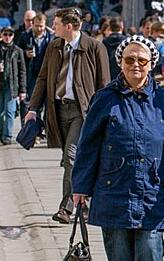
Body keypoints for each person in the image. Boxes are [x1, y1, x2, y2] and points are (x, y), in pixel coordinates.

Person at [72, 35, 164, 261]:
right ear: (120, 62)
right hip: (113, 189)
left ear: (150, 65)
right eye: (129, 59)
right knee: (120, 260)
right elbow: (88, 145)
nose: (135, 65)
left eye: (141, 60)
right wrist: (79, 187)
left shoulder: (163, 100)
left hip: (152, 191)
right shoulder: (105, 98)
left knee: (150, 254)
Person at [25, 7, 110, 224]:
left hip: (83, 111)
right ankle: (84, 202)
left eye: (57, 24)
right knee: (73, 160)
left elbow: (104, 84)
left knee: (71, 157)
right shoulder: (54, 47)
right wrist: (33, 109)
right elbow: (43, 78)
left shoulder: (94, 47)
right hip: (58, 109)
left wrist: (105, 115)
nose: (54, 27)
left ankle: (67, 207)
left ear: (69, 26)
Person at [17, 13, 54, 126]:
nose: (39, 28)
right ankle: (31, 131)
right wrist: (24, 54)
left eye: (41, 26)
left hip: (47, 74)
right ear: (32, 24)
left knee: (48, 105)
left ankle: (47, 130)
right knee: (32, 104)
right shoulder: (25, 36)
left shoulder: (51, 37)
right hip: (31, 74)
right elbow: (16, 53)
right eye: (37, 26)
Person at [0, 25, 26, 145]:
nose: (7, 37)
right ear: (1, 35)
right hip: (1, 83)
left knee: (10, 111)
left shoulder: (17, 50)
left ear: (13, 36)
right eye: (5, 34)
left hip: (11, 85)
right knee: (0, 112)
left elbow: (22, 71)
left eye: (10, 35)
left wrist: (22, 90)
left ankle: (7, 135)